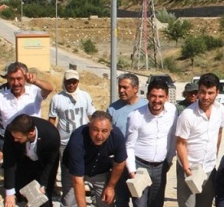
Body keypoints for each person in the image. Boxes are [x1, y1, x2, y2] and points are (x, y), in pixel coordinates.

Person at [176, 73, 224, 207]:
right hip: (189, 168)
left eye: (210, 93)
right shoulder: (187, 115)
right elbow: (180, 143)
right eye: (202, 92)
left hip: (209, 169)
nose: (206, 97)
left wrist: (214, 154)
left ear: (217, 92)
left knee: (205, 204)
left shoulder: (220, 110)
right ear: (198, 90)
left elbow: (219, 132)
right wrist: (186, 168)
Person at [125, 78, 178, 207]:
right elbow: (129, 145)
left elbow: (173, 137)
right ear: (148, 96)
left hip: (161, 167)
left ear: (166, 97)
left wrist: (169, 159)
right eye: (153, 96)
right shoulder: (136, 116)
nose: (157, 100)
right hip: (140, 167)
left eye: (161, 96)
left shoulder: (172, 111)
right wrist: (132, 171)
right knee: (140, 204)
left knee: (157, 203)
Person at [49, 69, 96, 207]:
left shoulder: (85, 96)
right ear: (64, 82)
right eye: (69, 82)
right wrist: (53, 138)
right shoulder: (57, 99)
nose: (71, 85)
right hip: (65, 142)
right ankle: (69, 197)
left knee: (87, 168)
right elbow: (52, 119)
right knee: (67, 171)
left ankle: (89, 192)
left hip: (83, 140)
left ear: (78, 82)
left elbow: (91, 116)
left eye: (74, 82)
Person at [0, 62, 53, 160]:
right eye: (12, 79)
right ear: (8, 79)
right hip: (12, 143)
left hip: (33, 142)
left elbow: (49, 88)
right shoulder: (0, 97)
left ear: (25, 78)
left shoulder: (34, 92)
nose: (16, 83)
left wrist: (35, 81)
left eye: (19, 79)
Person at [67, 111, 128, 207]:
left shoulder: (117, 137)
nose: (99, 136)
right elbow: (77, 180)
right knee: (69, 203)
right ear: (88, 126)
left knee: (106, 202)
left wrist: (110, 187)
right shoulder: (77, 139)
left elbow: (120, 163)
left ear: (111, 130)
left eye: (104, 131)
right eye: (95, 130)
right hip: (73, 170)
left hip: (100, 171)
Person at [109, 73, 149, 207]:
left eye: (125, 87)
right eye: (120, 87)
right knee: (120, 201)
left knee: (140, 201)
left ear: (136, 88)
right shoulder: (112, 109)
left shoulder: (147, 107)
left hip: (140, 162)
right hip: (119, 163)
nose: (121, 90)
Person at [2, 114, 61, 207]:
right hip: (24, 162)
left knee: (43, 199)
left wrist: (43, 184)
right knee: (21, 194)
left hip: (43, 163)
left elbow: (50, 162)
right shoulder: (11, 131)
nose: (15, 140)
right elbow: (9, 160)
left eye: (18, 138)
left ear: (31, 133)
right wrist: (9, 192)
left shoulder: (51, 135)